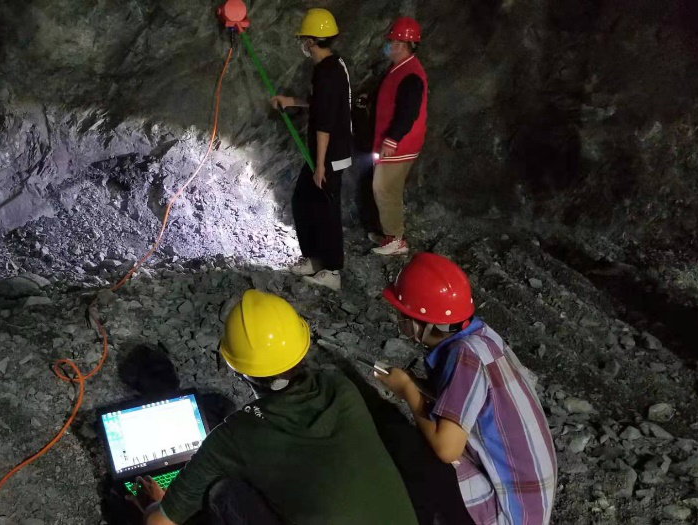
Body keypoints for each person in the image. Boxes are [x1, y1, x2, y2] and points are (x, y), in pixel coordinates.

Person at [133, 289, 418, 525]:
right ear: (302, 347)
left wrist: (156, 505)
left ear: (237, 369)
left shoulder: (235, 436)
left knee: (223, 493)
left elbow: (159, 523)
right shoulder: (340, 387)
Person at [374, 253, 558, 525]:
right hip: (531, 504)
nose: (399, 319)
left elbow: (446, 449)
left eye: (404, 315)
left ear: (421, 322)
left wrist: (407, 391)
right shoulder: (481, 335)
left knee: (407, 447)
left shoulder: (465, 356)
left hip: (509, 514)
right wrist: (417, 385)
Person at [269, 8, 353, 291]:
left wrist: (320, 165)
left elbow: (324, 123)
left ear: (311, 41)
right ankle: (315, 259)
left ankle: (332, 271)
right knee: (303, 201)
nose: (301, 44)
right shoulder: (332, 65)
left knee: (326, 209)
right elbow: (320, 102)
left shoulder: (328, 72)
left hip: (330, 154)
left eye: (303, 39)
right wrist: (291, 101)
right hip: (327, 153)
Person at [369, 17, 428, 257]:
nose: (387, 45)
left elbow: (408, 112)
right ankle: (389, 234)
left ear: (401, 45)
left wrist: (392, 140)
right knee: (383, 187)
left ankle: (396, 239)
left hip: (401, 144)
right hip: (397, 141)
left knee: (384, 188)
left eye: (391, 41)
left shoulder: (411, 74)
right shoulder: (401, 68)